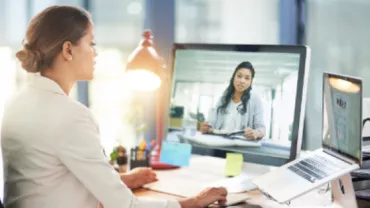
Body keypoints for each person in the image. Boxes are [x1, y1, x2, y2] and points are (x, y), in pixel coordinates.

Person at [0, 5, 227, 208]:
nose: (95, 52)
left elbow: (49, 178)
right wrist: (192, 203)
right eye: (91, 43)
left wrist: (119, 180)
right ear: (68, 50)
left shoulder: (15, 104)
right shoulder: (70, 116)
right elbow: (125, 205)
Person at [200, 61, 265, 140]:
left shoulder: (255, 100)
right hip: (219, 144)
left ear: (251, 82)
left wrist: (256, 133)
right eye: (239, 76)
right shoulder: (223, 99)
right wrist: (206, 128)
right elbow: (212, 124)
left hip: (241, 146)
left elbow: (261, 129)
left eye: (247, 78)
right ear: (233, 77)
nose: (242, 81)